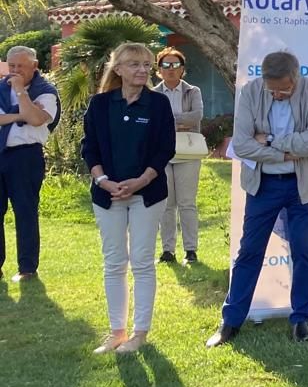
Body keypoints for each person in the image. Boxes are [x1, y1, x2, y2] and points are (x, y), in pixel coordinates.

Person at [207, 50, 308, 346]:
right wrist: (284, 154)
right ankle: (231, 321)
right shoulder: (250, 92)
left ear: (295, 78)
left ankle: (301, 319)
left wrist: (271, 140)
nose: (276, 94)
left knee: (304, 252)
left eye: (283, 89)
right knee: (249, 251)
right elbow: (242, 145)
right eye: (271, 89)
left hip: (303, 184)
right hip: (263, 186)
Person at [80, 42, 175, 354]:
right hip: (107, 195)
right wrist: (103, 181)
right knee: (114, 262)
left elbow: (165, 149)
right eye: (135, 64)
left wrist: (141, 181)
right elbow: (89, 148)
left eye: (147, 64)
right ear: (118, 69)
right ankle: (116, 332)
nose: (143, 70)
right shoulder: (100, 104)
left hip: (147, 194)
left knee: (143, 261)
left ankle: (139, 333)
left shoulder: (158, 104)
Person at [0, 45, 61, 284]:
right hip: (1, 152)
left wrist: (20, 93)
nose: (15, 71)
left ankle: (27, 268)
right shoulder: (0, 88)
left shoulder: (46, 92)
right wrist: (20, 115)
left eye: (20, 66)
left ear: (34, 66)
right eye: (11, 66)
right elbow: (26, 116)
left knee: (25, 212)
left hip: (25, 157)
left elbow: (36, 119)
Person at [152, 47, 204, 265]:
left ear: (182, 69)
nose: (170, 69)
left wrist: (168, 121)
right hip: (161, 153)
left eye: (175, 65)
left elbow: (196, 117)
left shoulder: (193, 91)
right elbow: (152, 121)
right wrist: (179, 121)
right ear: (159, 69)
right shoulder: (153, 94)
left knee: (187, 203)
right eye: (166, 65)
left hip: (188, 152)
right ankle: (168, 251)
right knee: (166, 204)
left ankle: (191, 250)